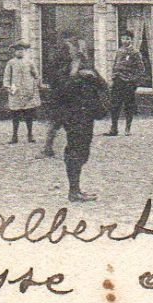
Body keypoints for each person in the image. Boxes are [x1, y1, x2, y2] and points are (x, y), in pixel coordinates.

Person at [60, 54, 109, 203]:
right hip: (73, 118)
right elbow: (62, 92)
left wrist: (92, 76)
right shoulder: (65, 74)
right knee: (75, 152)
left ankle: (76, 189)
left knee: (83, 153)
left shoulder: (88, 73)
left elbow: (103, 85)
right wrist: (74, 76)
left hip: (87, 117)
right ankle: (73, 191)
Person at [38, 38, 77, 159]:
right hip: (66, 99)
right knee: (67, 125)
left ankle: (48, 149)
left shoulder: (60, 67)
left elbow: (54, 83)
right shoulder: (69, 67)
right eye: (70, 50)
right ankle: (52, 149)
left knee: (55, 125)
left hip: (61, 99)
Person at [106, 31, 147, 136]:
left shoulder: (135, 52)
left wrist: (133, 81)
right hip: (118, 81)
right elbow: (115, 65)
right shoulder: (119, 51)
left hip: (128, 83)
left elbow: (141, 69)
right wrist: (113, 76)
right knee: (114, 105)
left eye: (127, 39)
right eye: (123, 38)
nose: (125, 41)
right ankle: (114, 128)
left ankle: (127, 128)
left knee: (128, 105)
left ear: (131, 40)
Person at [2, 41, 41, 143]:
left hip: (28, 92)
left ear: (25, 51)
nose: (20, 52)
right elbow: (7, 77)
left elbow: (36, 75)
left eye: (22, 50)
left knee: (29, 114)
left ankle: (30, 135)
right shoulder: (11, 63)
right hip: (15, 92)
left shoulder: (30, 62)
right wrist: (7, 87)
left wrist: (35, 86)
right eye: (17, 50)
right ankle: (14, 136)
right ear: (14, 52)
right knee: (15, 114)